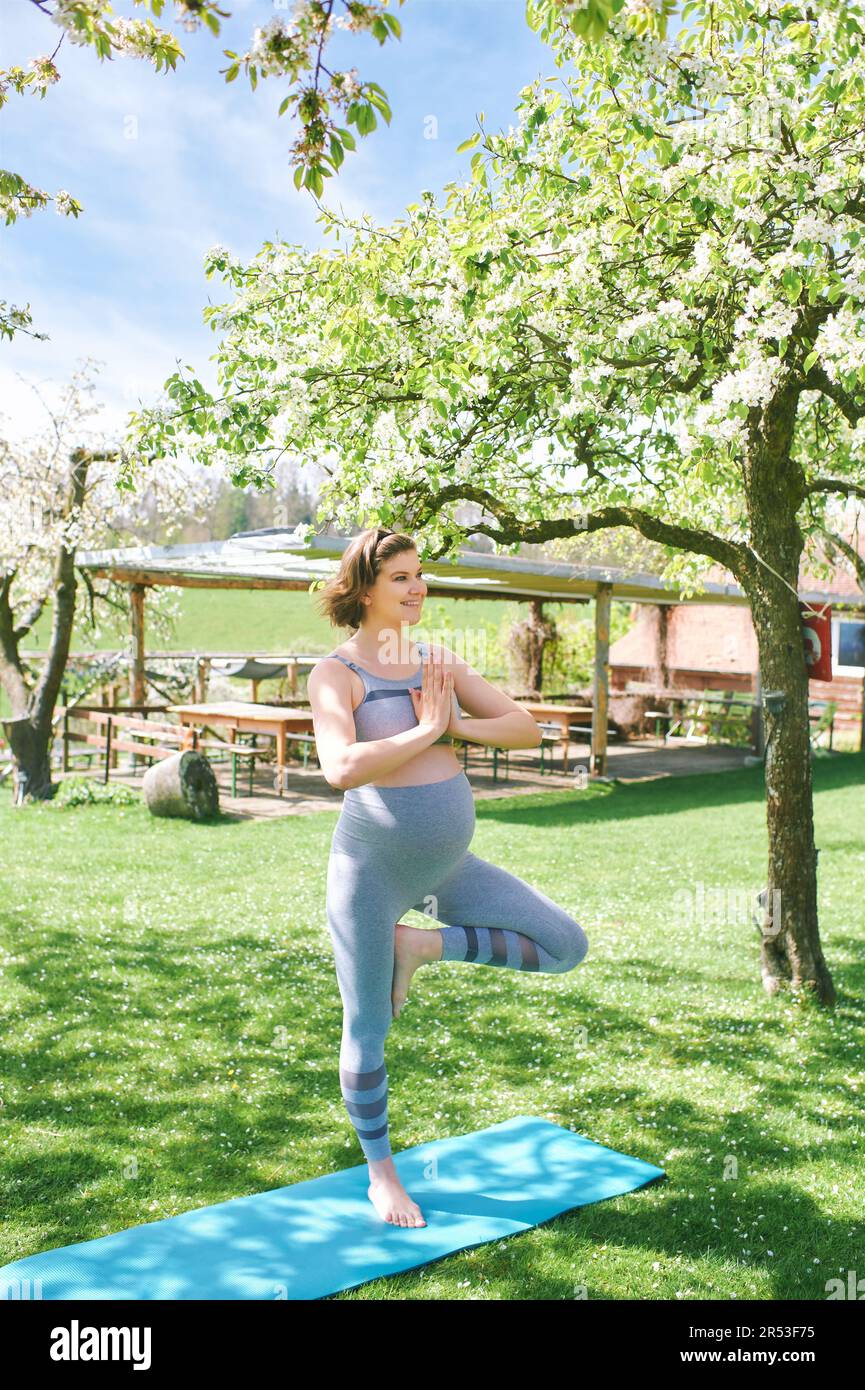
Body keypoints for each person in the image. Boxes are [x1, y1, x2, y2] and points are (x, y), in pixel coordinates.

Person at [307, 527, 589, 1228]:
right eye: (399, 576)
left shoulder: (437, 660)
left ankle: (423, 947)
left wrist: (456, 722)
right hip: (370, 873)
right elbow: (338, 768)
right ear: (364, 589)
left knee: (564, 947)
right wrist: (425, 730)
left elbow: (527, 730)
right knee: (367, 1026)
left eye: (419, 573)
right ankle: (382, 1177)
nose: (416, 587)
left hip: (446, 869)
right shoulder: (335, 674)